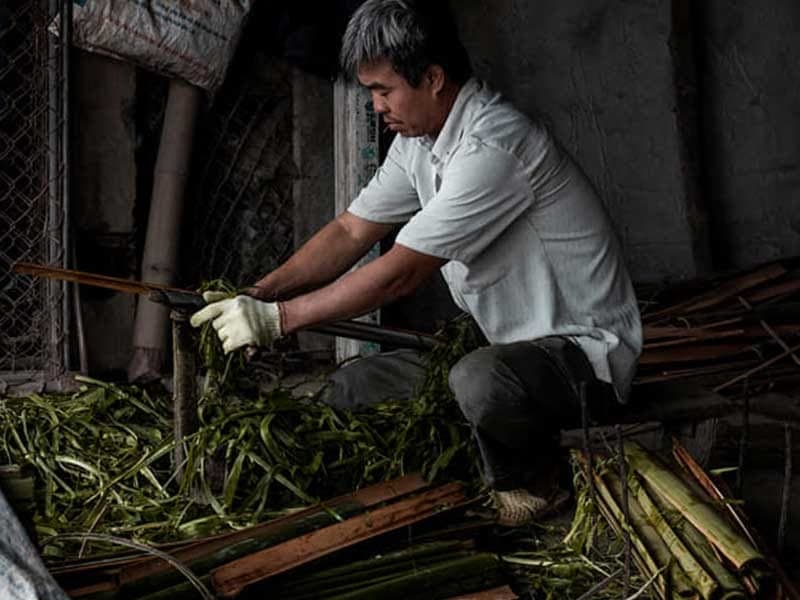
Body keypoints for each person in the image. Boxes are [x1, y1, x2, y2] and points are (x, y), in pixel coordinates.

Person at [191, 0, 642, 526]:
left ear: (432, 78)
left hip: (581, 362)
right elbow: (351, 230)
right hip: (504, 344)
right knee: (354, 385)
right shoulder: (419, 145)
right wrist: (259, 294)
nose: (377, 106)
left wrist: (280, 321)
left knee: (480, 382)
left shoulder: (492, 149)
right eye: (371, 92)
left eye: (384, 90)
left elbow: (400, 272)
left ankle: (537, 487)